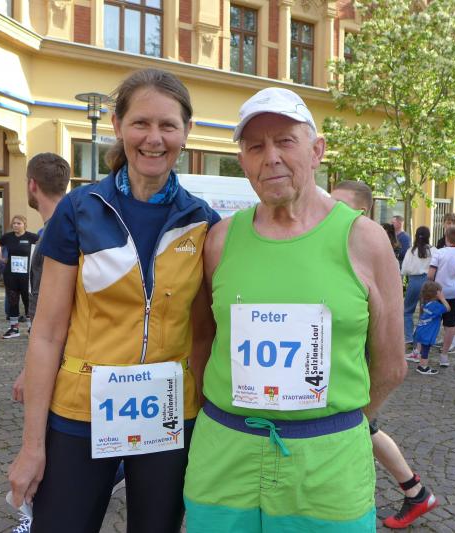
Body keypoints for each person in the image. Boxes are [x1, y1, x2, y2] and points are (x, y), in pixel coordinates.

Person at [183, 86, 405, 531]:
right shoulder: (220, 240)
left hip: (327, 464)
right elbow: (203, 341)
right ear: (243, 161)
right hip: (224, 456)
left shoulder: (364, 240)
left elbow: (391, 365)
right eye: (255, 147)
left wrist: (333, 429)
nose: (271, 158)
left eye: (285, 141)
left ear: (316, 150)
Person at [8, 68, 220, 532]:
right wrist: (31, 446)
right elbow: (47, 334)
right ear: (118, 125)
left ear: (187, 131)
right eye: (141, 123)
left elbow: (205, 335)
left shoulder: (203, 221)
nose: (154, 138)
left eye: (168, 125)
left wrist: (205, 424)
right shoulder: (79, 209)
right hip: (80, 408)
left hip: (168, 413)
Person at [332, 180, 439, 529]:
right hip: (342, 361)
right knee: (366, 429)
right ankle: (415, 491)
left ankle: (415, 491)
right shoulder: (337, 244)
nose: (329, 211)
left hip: (358, 362)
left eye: (339, 205)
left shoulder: (371, 250)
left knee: (364, 426)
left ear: (362, 212)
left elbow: (388, 338)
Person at [11, 153, 71, 404]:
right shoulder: (71, 228)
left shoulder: (52, 236)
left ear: (32, 185)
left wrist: (31, 369)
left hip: (58, 359)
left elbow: (47, 311)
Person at [0, 216, 39, 339]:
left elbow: (42, 247)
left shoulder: (32, 237)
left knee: (27, 300)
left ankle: (31, 328)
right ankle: (14, 328)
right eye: (14, 223)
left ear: (24, 225)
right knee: (12, 300)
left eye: (18, 223)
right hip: (11, 274)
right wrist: (1, 258)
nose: (15, 225)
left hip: (26, 275)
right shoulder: (8, 237)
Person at [428, 225, 455, 364]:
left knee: (432, 320)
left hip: (439, 292)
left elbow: (430, 275)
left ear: (446, 237)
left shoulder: (439, 252)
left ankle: (422, 353)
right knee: (451, 323)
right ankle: (444, 355)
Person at [405, 281, 449, 375]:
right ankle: (423, 367)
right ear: (437, 294)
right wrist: (442, 298)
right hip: (428, 333)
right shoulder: (435, 306)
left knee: (423, 349)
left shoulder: (426, 303)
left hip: (421, 330)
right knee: (425, 350)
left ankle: (421, 364)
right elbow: (448, 308)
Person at [401, 226, 432, 347]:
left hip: (414, 281)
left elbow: (404, 269)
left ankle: (409, 337)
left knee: (407, 310)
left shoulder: (411, 251)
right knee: (425, 312)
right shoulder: (433, 250)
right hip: (428, 281)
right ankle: (421, 338)